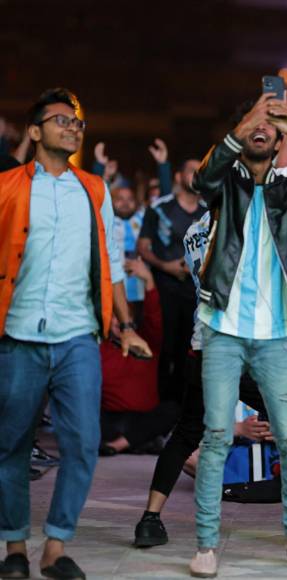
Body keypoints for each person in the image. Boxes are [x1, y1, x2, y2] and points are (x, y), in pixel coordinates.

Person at [133, 211, 287, 553]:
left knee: (187, 431)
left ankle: (150, 520)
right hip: (240, 346)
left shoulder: (193, 231)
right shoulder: (245, 225)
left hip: (202, 344)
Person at [0, 88, 150, 580]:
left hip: (78, 336)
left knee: (83, 441)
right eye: (60, 119)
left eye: (78, 122)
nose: (72, 126)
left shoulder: (95, 188)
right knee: (12, 445)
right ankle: (16, 547)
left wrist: (125, 326)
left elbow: (110, 263)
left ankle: (56, 547)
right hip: (18, 335)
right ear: (36, 131)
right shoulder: (8, 186)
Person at [187, 92, 287, 577]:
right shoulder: (223, 183)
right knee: (214, 436)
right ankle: (207, 543)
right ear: (243, 131)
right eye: (255, 124)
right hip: (223, 327)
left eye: (271, 128)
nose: (262, 129)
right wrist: (249, 117)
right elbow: (200, 178)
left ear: (278, 144)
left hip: (276, 334)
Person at [137, 156, 207, 404]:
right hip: (165, 289)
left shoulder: (209, 211)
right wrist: (165, 265)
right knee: (164, 351)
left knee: (192, 353)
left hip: (198, 295)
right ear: (178, 177)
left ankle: (183, 413)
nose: (197, 175)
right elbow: (143, 246)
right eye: (191, 170)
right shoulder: (159, 208)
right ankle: (160, 412)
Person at [99, 257, 179, 456]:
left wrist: (148, 279)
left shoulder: (147, 341)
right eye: (113, 316)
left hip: (144, 419)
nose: (118, 321)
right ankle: (134, 443)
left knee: (172, 409)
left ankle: (119, 445)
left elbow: (154, 314)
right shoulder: (99, 347)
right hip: (109, 420)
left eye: (122, 315)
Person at [110, 185, 146, 305]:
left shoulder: (143, 219)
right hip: (114, 292)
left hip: (142, 291)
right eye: (120, 199)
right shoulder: (106, 221)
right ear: (111, 201)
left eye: (130, 199)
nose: (125, 203)